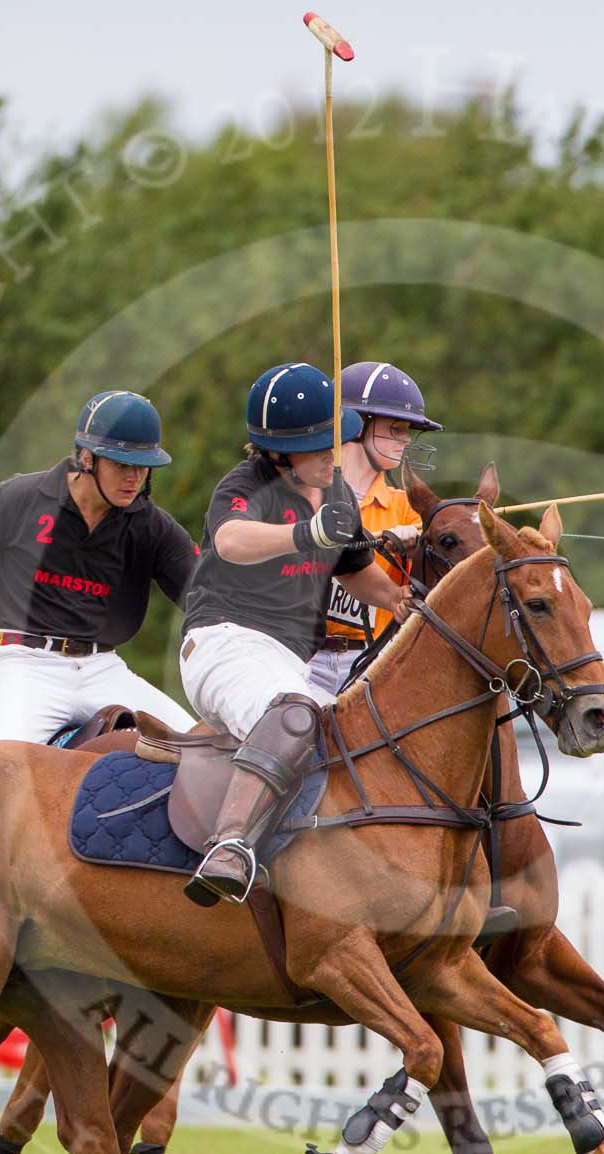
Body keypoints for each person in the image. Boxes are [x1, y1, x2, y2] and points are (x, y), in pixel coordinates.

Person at [178, 361, 407, 905]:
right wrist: (307, 533)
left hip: (286, 658)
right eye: (319, 447)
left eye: (336, 443)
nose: (334, 457)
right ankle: (229, 845)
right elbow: (230, 540)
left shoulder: (338, 497)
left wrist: (408, 602)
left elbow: (360, 574)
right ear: (279, 453)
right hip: (222, 641)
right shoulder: (245, 487)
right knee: (297, 716)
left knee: (359, 738)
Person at [0, 389, 197, 742]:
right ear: (87, 459)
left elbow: (208, 596)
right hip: (23, 663)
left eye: (143, 465)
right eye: (122, 465)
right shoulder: (21, 497)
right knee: (0, 772)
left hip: (103, 669)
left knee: (201, 747)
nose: (134, 478)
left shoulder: (151, 525)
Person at [306, 361, 444, 696]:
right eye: (396, 428)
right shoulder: (303, 495)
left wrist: (421, 541)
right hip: (299, 658)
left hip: (370, 661)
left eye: (407, 431)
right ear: (355, 425)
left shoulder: (409, 510)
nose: (406, 440)